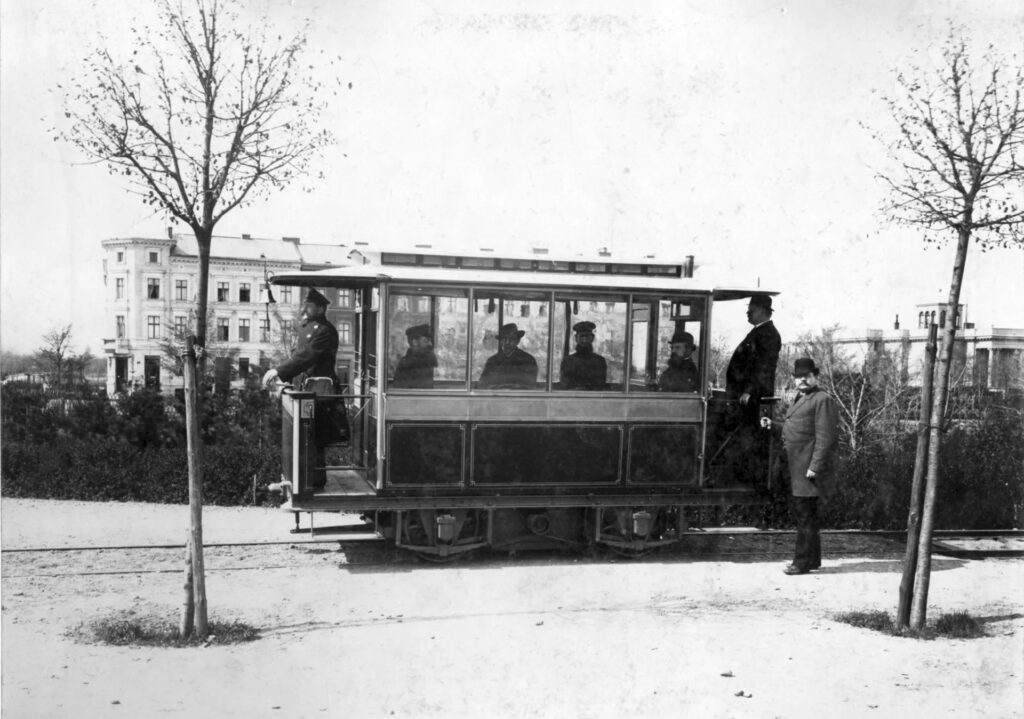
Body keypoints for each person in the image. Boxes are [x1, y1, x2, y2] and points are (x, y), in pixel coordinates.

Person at [761, 357, 839, 575]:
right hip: (797, 468)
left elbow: (826, 438)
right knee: (807, 516)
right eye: (798, 377)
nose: (802, 380)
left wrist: (815, 467)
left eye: (806, 376)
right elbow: (795, 428)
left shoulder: (822, 400)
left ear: (815, 377)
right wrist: (774, 425)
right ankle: (812, 560)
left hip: (807, 469)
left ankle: (801, 562)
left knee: (805, 516)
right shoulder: (800, 398)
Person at [262, 287, 341, 489]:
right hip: (309, 387)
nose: (305, 309)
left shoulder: (324, 331)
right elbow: (300, 356)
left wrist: (279, 371)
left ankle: (315, 482)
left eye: (310, 306)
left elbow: (306, 357)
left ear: (321, 309)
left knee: (315, 434)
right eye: (305, 305)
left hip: (321, 389)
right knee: (308, 434)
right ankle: (307, 480)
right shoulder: (311, 327)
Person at [725, 294, 782, 415]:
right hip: (745, 397)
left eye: (751, 310)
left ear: (762, 310)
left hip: (752, 399)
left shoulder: (769, 334)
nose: (747, 313)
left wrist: (749, 391)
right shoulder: (759, 332)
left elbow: (764, 367)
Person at [478, 323, 538, 389]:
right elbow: (483, 384)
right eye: (504, 339)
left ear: (517, 340)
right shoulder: (492, 361)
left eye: (511, 339)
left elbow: (530, 385)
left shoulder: (528, 360)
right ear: (500, 341)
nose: (507, 342)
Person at [559, 321, 607, 390]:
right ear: (576, 338)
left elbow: (599, 385)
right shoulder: (568, 361)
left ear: (592, 338)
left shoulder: (599, 361)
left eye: (587, 336)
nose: (584, 340)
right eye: (581, 336)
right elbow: (565, 384)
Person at [392, 324, 438, 388]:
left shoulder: (428, 360)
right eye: (426, 340)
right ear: (415, 342)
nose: (430, 344)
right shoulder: (406, 364)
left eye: (429, 340)